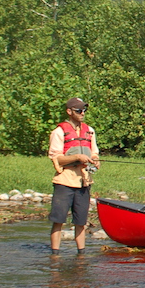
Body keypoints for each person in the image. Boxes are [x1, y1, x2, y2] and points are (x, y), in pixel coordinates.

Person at [48, 98, 99, 255]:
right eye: (78, 111)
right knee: (58, 220)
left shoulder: (90, 130)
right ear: (69, 112)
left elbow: (94, 152)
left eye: (84, 110)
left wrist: (95, 161)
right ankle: (55, 254)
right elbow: (57, 158)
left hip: (84, 182)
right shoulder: (59, 132)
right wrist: (77, 157)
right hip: (64, 181)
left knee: (81, 221)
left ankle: (81, 254)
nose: (82, 113)